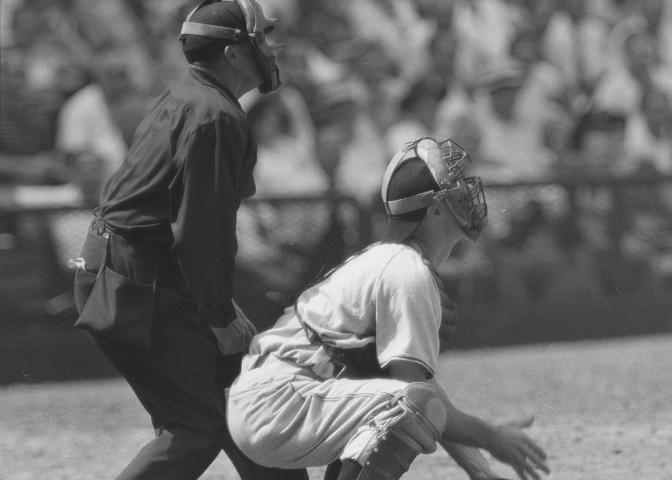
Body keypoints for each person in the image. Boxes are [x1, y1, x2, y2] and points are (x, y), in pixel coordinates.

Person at [67, 1, 304, 478]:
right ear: (234, 53)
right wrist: (218, 316)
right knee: (197, 425)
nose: (271, 46)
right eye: (260, 37)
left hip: (139, 275)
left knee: (243, 398)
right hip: (136, 285)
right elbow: (199, 234)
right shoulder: (214, 115)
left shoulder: (195, 97)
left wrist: (218, 306)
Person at [226, 137, 550, 480]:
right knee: (411, 404)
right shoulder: (405, 270)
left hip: (278, 399)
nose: (465, 190)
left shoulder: (392, 262)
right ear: (435, 208)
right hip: (280, 403)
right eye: (452, 185)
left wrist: (482, 472)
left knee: (394, 392)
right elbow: (416, 401)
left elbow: (418, 391)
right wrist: (491, 437)